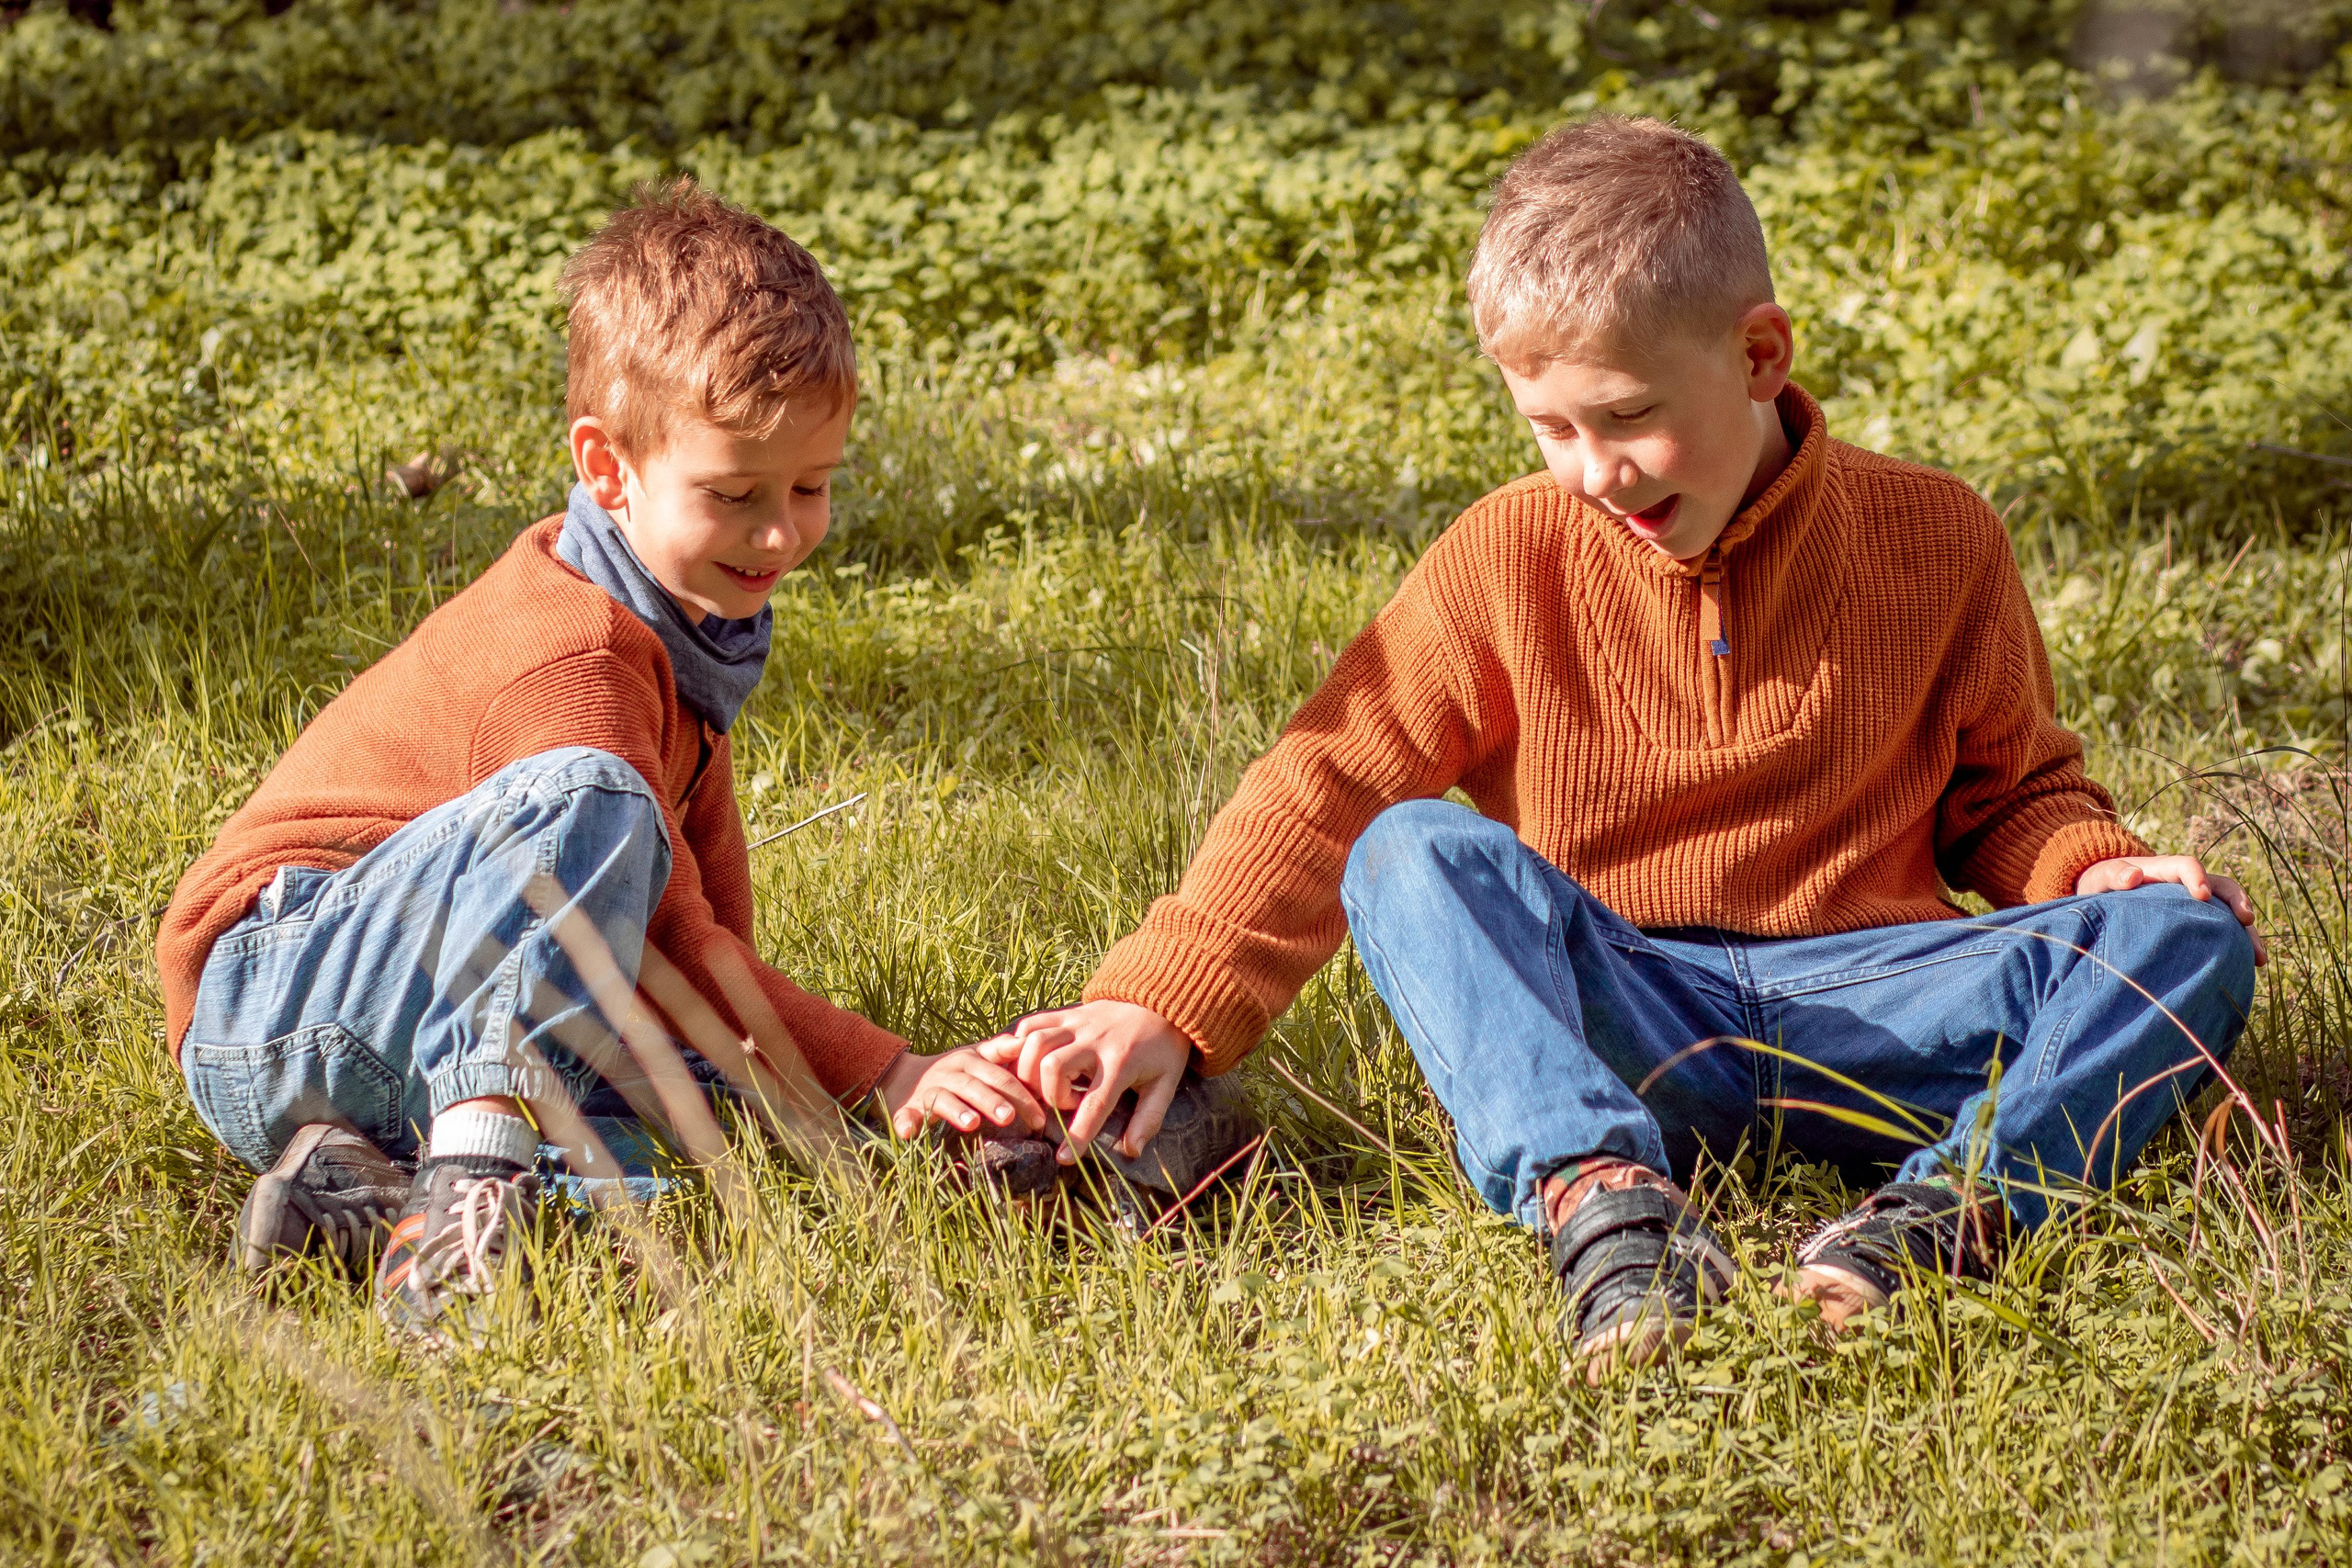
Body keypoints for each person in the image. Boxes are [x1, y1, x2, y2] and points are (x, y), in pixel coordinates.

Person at [978, 117, 2263, 1374]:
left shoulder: (1938, 534)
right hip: (1636, 1011)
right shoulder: (1509, 551)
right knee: (1408, 847)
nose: (1593, 468)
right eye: (1550, 427)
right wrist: (1159, 993)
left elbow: (2012, 791)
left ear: (1760, 354)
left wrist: (2089, 867)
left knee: (2189, 938)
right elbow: (1328, 781)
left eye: (1628, 416)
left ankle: (1948, 1215)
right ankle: (1607, 1199)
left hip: (1884, 1005)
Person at [158, 180, 1046, 1339]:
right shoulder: (571, 647)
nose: (781, 531)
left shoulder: (685, 626)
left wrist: (822, 1093)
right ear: (608, 468)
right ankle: (472, 1193)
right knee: (596, 797)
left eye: (813, 487)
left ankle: (350, 1203)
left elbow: (701, 940)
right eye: (736, 494)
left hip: (394, 1028)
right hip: (281, 990)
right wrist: (884, 1070)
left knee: (713, 1138)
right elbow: (675, 934)